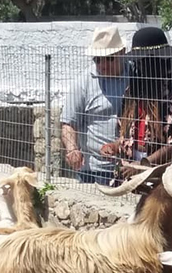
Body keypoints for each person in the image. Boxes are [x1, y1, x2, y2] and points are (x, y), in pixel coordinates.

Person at [100, 26, 172, 179]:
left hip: (164, 177)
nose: (140, 64)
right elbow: (125, 131)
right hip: (129, 172)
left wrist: (144, 165)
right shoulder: (134, 87)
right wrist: (113, 146)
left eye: (145, 59)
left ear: (160, 58)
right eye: (138, 60)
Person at [60, 26, 128, 186]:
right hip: (93, 170)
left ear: (122, 53)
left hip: (129, 168)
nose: (103, 65)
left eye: (109, 58)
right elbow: (68, 123)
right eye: (97, 59)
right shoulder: (83, 82)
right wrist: (72, 149)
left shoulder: (136, 77)